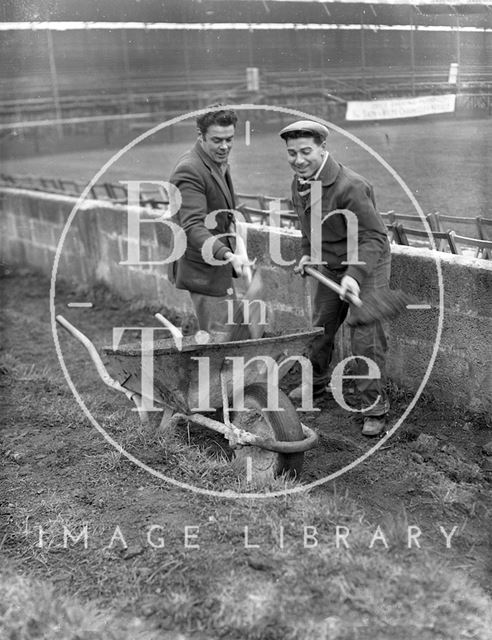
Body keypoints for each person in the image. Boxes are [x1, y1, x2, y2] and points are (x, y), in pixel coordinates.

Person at [279, 120, 391, 436]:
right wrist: (306, 254)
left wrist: (355, 275)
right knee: (319, 328)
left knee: (363, 337)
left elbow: (373, 237)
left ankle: (374, 406)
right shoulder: (299, 182)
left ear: (323, 148)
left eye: (305, 152)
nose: (298, 160)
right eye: (291, 153)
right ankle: (315, 386)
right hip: (329, 263)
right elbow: (308, 228)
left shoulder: (350, 186)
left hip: (366, 265)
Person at [168, 106, 250, 331]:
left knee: (232, 335)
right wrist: (227, 253)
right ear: (200, 137)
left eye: (229, 139)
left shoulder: (215, 161)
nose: (224, 146)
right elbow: (193, 226)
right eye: (217, 140)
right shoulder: (190, 170)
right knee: (221, 342)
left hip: (219, 265)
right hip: (204, 270)